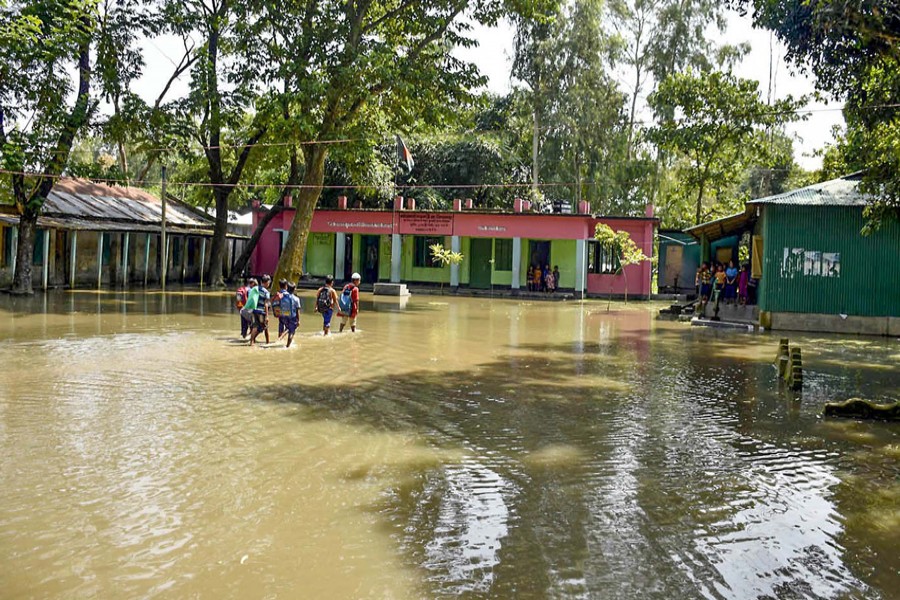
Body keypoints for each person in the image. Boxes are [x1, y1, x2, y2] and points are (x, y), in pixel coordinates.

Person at [249, 275, 271, 347]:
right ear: (267, 283)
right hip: (261, 312)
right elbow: (266, 304)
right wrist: (267, 316)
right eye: (269, 282)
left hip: (254, 311)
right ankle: (267, 343)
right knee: (266, 327)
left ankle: (251, 342)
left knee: (255, 327)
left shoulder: (254, 289)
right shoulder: (266, 292)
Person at [280, 282, 302, 348]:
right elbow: (298, 310)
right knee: (292, 332)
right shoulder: (296, 299)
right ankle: (288, 346)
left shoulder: (282, 296)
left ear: (287, 288)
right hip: (292, 317)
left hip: (284, 316)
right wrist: (298, 320)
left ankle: (280, 338)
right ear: (294, 289)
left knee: (287, 328)